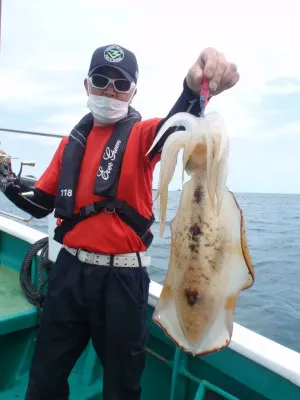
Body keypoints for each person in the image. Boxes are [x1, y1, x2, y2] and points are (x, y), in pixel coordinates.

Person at [1, 44, 239, 400]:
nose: (110, 90)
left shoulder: (143, 136)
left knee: (122, 385)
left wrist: (193, 88)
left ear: (133, 92)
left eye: (121, 84)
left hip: (123, 281)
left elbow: (178, 128)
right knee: (45, 376)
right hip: (68, 273)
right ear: (87, 86)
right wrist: (5, 179)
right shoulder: (70, 144)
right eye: (101, 80)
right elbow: (41, 205)